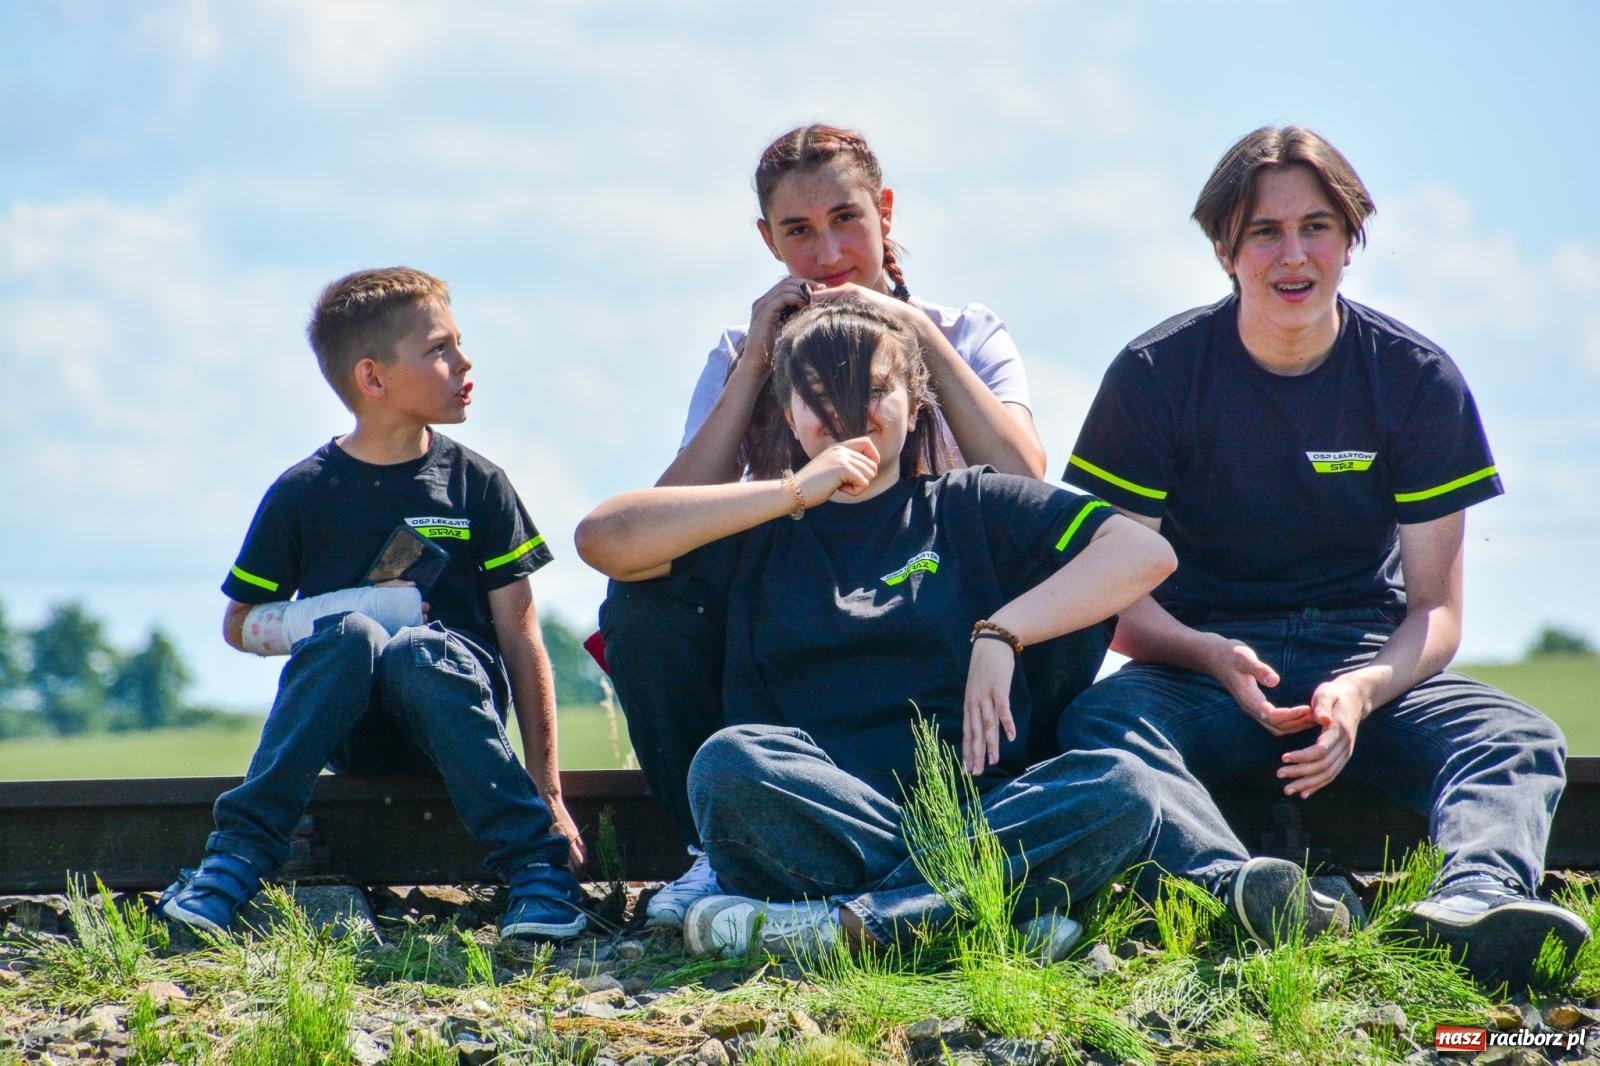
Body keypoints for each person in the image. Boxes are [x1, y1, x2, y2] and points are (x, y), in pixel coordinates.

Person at [577, 297, 1343, 959]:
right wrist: (787, 491)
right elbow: (602, 540)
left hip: (978, 808)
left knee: (1124, 786)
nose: (846, 414)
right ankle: (978, 915)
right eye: (817, 395)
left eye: (873, 390)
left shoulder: (973, 505)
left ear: (917, 402)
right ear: (789, 413)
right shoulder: (758, 526)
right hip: (821, 813)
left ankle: (843, 927)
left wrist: (1001, 633)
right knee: (727, 765)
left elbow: (1144, 552)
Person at [1058, 126, 1589, 989]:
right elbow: (1115, 600)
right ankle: (1236, 889)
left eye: (1317, 227)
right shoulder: (1154, 376)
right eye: (1264, 231)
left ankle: (1477, 902)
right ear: (1225, 249)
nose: (1292, 254)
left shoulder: (1416, 379)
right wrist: (1207, 654)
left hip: (1364, 658)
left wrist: (1364, 689)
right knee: (1099, 728)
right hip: (1205, 666)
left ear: (1351, 241)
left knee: (1519, 735)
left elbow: (1437, 611)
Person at [600, 123, 1061, 929]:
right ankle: (718, 850)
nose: (828, 252)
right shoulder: (741, 355)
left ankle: (929, 863)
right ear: (767, 242)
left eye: (847, 219)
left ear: (885, 211)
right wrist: (754, 369)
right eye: (798, 232)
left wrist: (915, 339)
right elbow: (663, 528)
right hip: (808, 613)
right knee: (643, 610)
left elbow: (1028, 479)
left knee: (1066, 586)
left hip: (950, 612)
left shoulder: (968, 332)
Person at [160, 267, 587, 941]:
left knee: (419, 650)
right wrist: (341, 613)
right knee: (351, 635)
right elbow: (239, 625)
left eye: (458, 343)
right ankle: (235, 859)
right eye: (439, 348)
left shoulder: (478, 485)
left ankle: (537, 870)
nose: (464, 361)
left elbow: (521, 635)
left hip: (458, 726)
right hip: (354, 735)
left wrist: (551, 791)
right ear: (373, 378)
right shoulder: (302, 493)